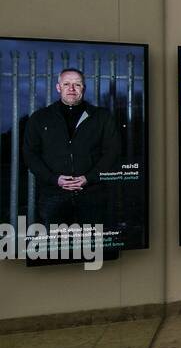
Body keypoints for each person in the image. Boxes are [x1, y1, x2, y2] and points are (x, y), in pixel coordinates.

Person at [22, 68, 120, 229]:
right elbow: (30, 154)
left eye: (77, 84)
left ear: (84, 88)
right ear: (58, 87)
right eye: (66, 84)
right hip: (53, 195)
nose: (72, 88)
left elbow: (112, 151)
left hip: (93, 194)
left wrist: (90, 177)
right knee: (56, 248)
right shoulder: (40, 118)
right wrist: (54, 179)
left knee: (94, 246)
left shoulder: (102, 116)